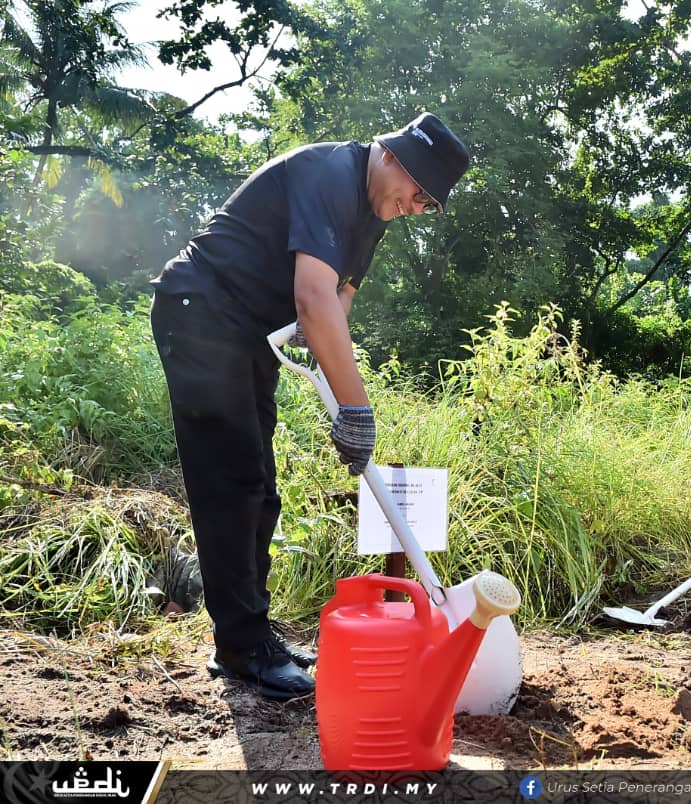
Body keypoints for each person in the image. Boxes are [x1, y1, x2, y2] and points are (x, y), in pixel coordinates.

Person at [150, 112, 470, 700]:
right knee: (232, 483)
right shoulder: (330, 174)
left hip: (250, 332)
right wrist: (357, 409)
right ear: (393, 156)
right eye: (419, 192)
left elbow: (338, 298)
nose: (417, 207)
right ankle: (242, 648)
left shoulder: (374, 213)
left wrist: (319, 346)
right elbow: (313, 295)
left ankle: (247, 636)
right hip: (202, 311)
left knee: (259, 488)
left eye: (428, 204)